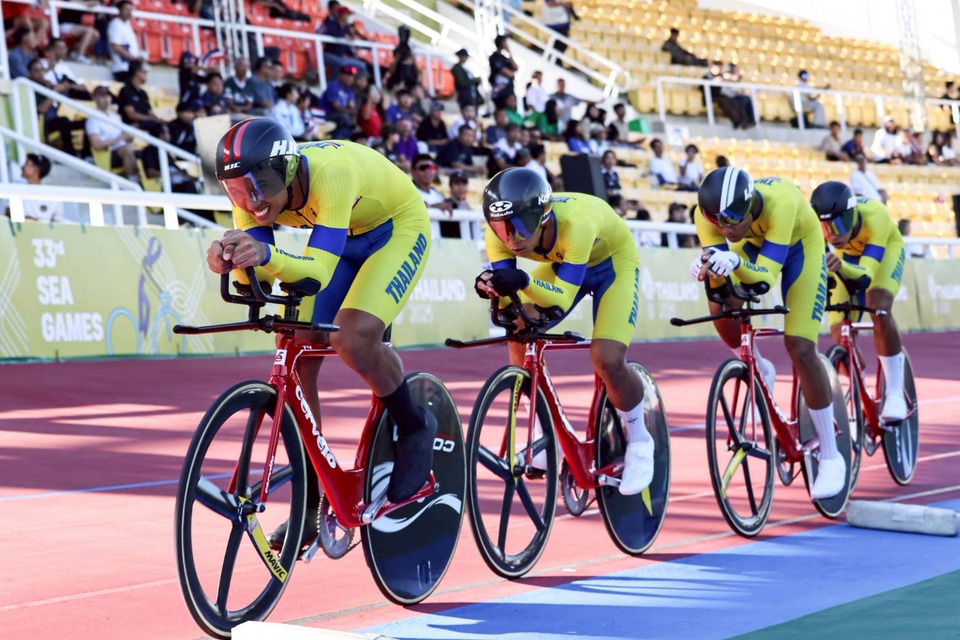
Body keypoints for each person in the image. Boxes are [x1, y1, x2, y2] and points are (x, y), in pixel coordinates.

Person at [210, 119, 438, 548]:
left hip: (396, 230)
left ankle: (413, 425)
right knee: (296, 345)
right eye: (237, 192)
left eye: (260, 187)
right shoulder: (250, 198)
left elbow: (316, 271)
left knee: (351, 338)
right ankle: (313, 499)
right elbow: (259, 280)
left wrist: (263, 253)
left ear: (287, 171)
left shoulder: (331, 174)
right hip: (342, 239)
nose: (251, 202)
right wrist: (233, 262)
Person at [474, 168, 655, 495]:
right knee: (517, 327)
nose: (511, 238)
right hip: (565, 264)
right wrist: (492, 287)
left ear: (543, 218)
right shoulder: (498, 237)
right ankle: (540, 432)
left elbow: (560, 301)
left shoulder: (575, 224)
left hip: (613, 266)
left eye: (520, 226)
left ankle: (640, 439)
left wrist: (523, 280)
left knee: (607, 358)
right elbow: (508, 304)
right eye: (501, 228)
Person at [690, 167, 845, 499]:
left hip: (800, 249)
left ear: (749, 206)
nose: (724, 229)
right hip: (752, 246)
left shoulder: (781, 203)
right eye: (717, 222)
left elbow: (763, 279)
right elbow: (719, 269)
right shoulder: (708, 216)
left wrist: (733, 262)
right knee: (718, 299)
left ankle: (831, 455)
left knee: (800, 346)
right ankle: (758, 366)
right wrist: (709, 266)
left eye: (731, 220)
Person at [810, 182, 908, 421]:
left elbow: (866, 275)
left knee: (878, 304)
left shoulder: (875, 216)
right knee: (839, 335)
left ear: (852, 216)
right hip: (845, 258)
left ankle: (895, 392)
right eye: (825, 227)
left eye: (838, 225)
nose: (832, 234)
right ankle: (861, 392)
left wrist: (841, 266)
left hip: (882, 255)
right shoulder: (820, 227)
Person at [86, 85, 139, 180]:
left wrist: (129, 136)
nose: (106, 99)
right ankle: (134, 182)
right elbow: (96, 144)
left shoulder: (116, 117)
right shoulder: (93, 119)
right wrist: (120, 138)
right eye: (102, 96)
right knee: (127, 150)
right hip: (106, 154)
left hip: (122, 149)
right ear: (95, 98)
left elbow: (126, 138)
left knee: (146, 152)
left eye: (107, 95)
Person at [118, 61, 166, 137]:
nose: (146, 73)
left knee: (167, 126)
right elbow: (131, 115)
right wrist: (150, 119)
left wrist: (158, 120)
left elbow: (150, 112)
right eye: (144, 71)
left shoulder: (143, 93)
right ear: (137, 72)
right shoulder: (125, 90)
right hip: (132, 126)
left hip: (147, 124)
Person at [16, 154, 64, 223]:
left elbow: (57, 222)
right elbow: (8, 212)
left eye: (26, 164)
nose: (22, 167)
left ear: (36, 169)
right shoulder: (17, 188)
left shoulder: (52, 197)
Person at [108, 1, 145, 82]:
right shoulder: (115, 24)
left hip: (131, 67)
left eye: (130, 10)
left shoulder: (127, 24)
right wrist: (134, 58)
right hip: (122, 68)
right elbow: (116, 46)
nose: (129, 12)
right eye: (126, 9)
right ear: (119, 10)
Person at [321, 64, 358, 139]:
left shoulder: (349, 89)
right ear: (340, 75)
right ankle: (337, 139)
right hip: (327, 114)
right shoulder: (334, 86)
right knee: (345, 117)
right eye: (348, 76)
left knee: (350, 121)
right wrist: (351, 112)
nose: (350, 78)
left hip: (340, 115)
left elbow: (352, 106)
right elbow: (337, 107)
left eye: (352, 76)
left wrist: (353, 115)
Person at [488, 35, 518, 102]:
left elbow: (515, 67)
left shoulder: (504, 58)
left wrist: (509, 52)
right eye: (505, 42)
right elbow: (508, 73)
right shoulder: (494, 57)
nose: (506, 44)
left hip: (509, 90)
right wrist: (511, 74)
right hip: (500, 92)